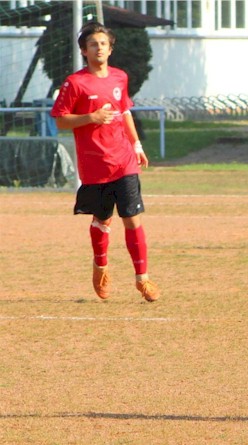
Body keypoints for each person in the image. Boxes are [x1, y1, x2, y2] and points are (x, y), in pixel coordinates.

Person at [51, 22, 160, 302]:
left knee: (133, 219)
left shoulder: (120, 78)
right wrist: (91, 117)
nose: (98, 48)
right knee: (102, 220)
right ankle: (100, 267)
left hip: (123, 160)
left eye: (103, 44)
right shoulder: (75, 83)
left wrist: (136, 144)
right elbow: (61, 120)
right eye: (93, 44)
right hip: (94, 164)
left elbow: (124, 112)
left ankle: (143, 279)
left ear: (110, 49)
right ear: (84, 51)